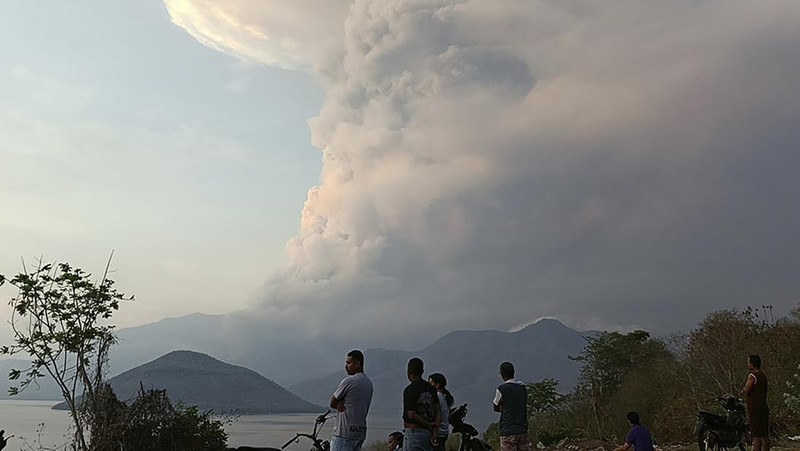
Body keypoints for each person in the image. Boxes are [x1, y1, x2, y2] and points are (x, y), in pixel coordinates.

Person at [330, 350, 374, 451]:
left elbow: (332, 402)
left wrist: (338, 404)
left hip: (343, 434)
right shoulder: (369, 383)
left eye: (349, 363)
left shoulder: (349, 381)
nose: (346, 366)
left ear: (358, 364)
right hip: (359, 433)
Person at [403, 357, 441, 451]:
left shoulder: (409, 390)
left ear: (408, 372)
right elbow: (438, 411)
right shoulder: (431, 389)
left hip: (414, 433)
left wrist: (428, 424)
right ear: (422, 371)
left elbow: (411, 415)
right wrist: (434, 430)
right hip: (428, 434)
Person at [492, 362, 529, 451]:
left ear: (501, 374)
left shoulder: (501, 389)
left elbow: (495, 406)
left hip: (508, 431)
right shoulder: (523, 388)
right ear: (514, 372)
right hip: (522, 430)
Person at [741, 354, 770, 451]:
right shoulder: (763, 375)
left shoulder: (752, 376)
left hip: (755, 409)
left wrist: (743, 390)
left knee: (756, 435)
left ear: (752, 364)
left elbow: (748, 389)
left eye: (748, 363)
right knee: (764, 435)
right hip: (763, 407)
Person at [428, 373, 454, 451]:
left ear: (437, 384)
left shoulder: (437, 397)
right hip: (443, 432)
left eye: (431, 383)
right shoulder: (445, 397)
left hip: (438, 432)